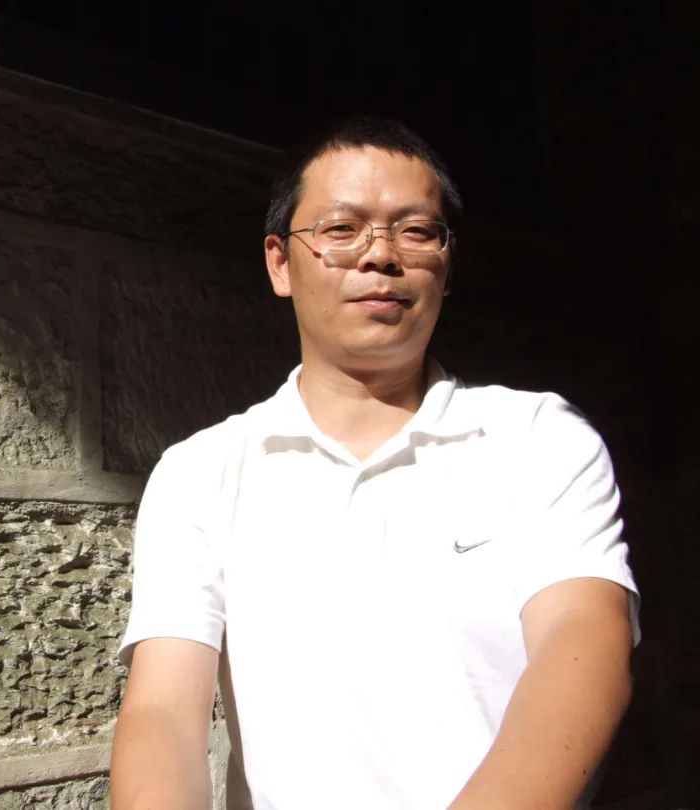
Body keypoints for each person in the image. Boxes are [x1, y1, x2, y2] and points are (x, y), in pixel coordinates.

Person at [108, 116, 639, 810]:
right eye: (342, 229)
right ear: (280, 262)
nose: (380, 255)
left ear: (447, 265)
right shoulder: (200, 472)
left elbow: (585, 645)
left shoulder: (538, 439)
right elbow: (163, 715)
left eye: (415, 231)